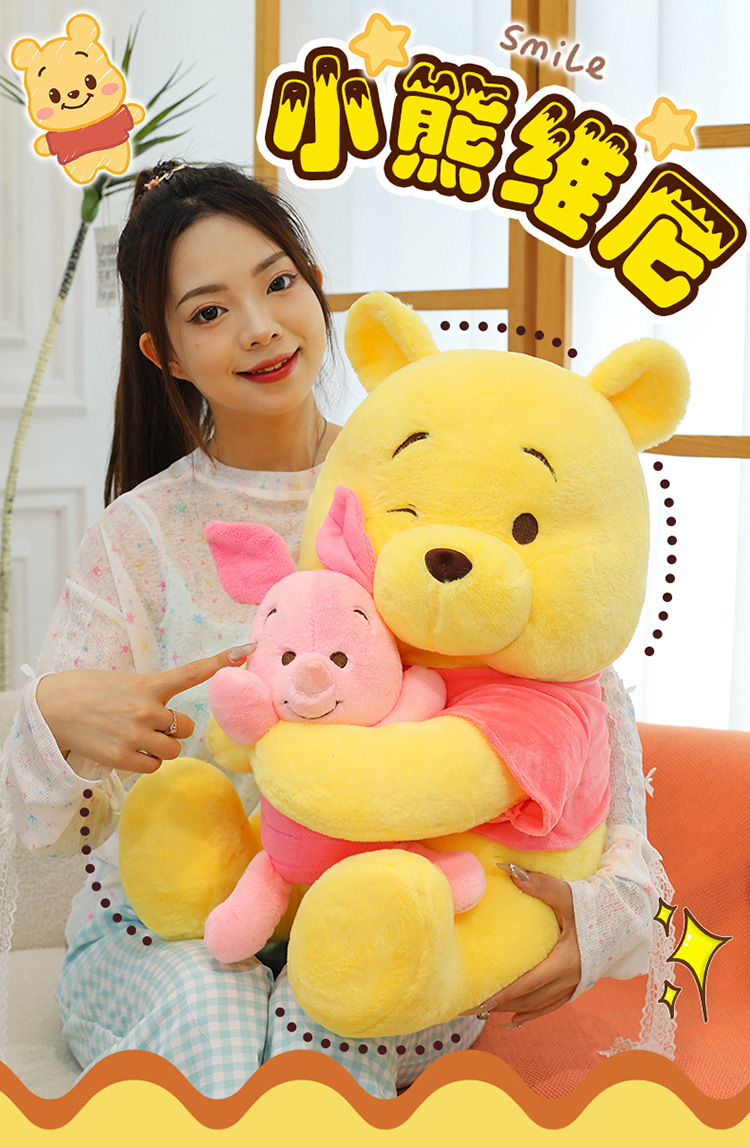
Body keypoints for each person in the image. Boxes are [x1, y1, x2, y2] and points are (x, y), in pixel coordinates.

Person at [0, 161, 669, 1099]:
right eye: (208, 311)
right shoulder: (137, 533)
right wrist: (54, 716)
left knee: (336, 1021)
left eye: (278, 282)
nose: (260, 326)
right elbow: (43, 814)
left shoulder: (415, 479)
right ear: (165, 354)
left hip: (387, 907)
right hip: (176, 928)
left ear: (316, 289)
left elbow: (582, 707)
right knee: (212, 1006)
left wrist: (602, 919)